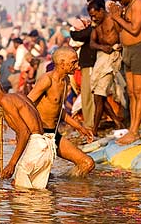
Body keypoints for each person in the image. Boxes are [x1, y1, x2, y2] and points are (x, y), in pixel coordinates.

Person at [27, 46, 95, 177]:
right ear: (62, 63)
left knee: (87, 163)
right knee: (35, 178)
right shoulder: (46, 80)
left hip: (54, 135)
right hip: (40, 135)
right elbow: (26, 105)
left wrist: (80, 128)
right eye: (73, 62)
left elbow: (58, 110)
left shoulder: (66, 80)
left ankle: (65, 187)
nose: (77, 66)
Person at [0, 78, 56, 189]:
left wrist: (12, 164)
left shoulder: (6, 102)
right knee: (36, 195)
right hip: (45, 145)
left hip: (37, 147)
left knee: (20, 192)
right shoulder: (16, 97)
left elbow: (24, 132)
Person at [109, 0, 141, 145]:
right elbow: (121, 28)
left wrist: (117, 17)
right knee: (131, 92)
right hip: (127, 50)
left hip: (140, 48)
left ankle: (135, 130)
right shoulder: (126, 6)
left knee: (139, 92)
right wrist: (117, 15)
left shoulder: (140, 2)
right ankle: (132, 129)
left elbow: (135, 29)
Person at [87, 0, 126, 136]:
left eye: (95, 15)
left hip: (112, 60)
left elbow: (123, 34)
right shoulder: (96, 25)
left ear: (101, 10)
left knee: (99, 96)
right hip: (101, 59)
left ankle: (94, 130)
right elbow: (92, 43)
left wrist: (121, 46)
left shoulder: (112, 19)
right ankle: (117, 122)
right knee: (99, 96)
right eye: (91, 16)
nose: (93, 18)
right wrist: (102, 47)